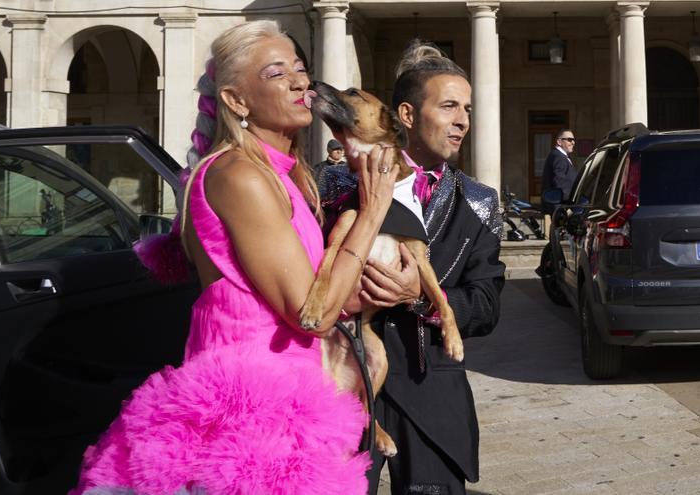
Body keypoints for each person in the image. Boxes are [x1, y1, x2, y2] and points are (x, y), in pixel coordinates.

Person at [70, 20, 397, 495]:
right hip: (249, 411)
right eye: (276, 73)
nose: (300, 81)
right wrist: (371, 214)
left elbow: (312, 299)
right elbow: (313, 315)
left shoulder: (286, 176)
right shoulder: (239, 175)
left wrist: (390, 289)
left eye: (300, 69)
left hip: (296, 398)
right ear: (236, 101)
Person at [322, 40, 506, 495]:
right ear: (406, 115)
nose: (462, 119)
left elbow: (486, 304)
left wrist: (419, 296)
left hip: (430, 393)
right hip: (343, 386)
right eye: (448, 106)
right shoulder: (335, 181)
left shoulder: (480, 202)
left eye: (466, 107)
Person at [540, 128, 578, 214]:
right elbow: (560, 182)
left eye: (573, 140)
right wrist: (570, 204)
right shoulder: (558, 157)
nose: (573, 142)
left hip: (560, 206)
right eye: (569, 140)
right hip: (560, 207)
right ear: (559, 142)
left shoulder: (560, 156)